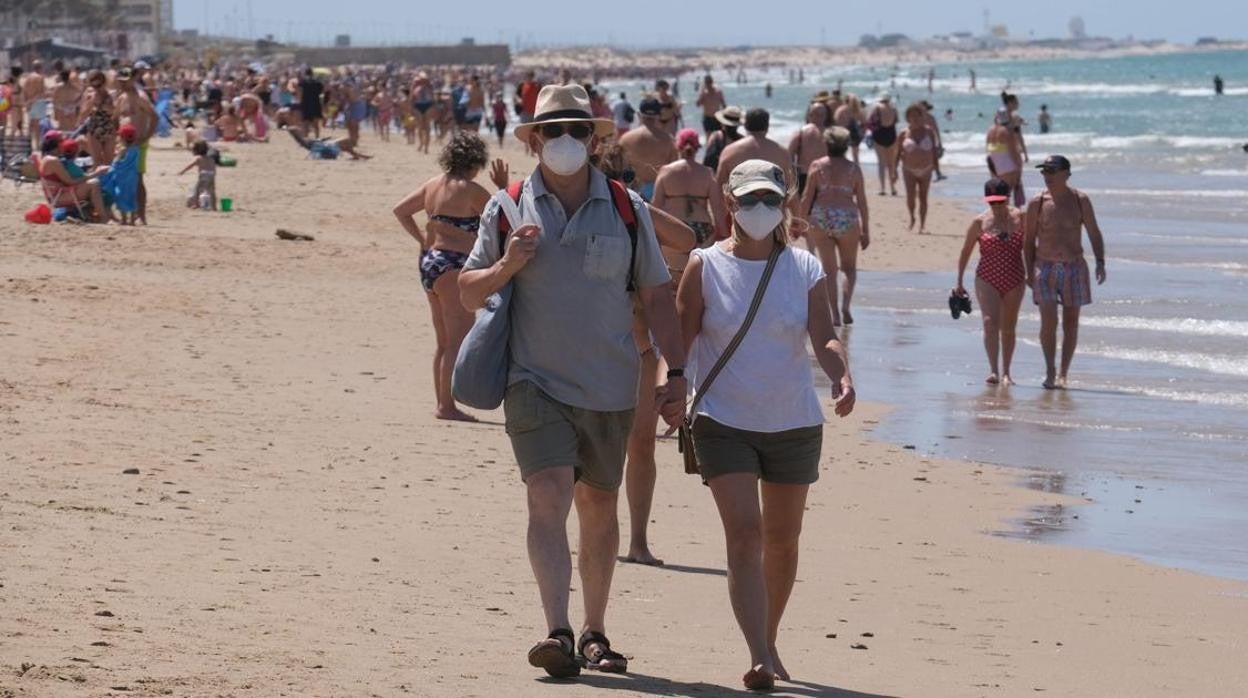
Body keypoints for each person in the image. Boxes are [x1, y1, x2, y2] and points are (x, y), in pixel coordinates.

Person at [458, 84, 687, 680]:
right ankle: (556, 629)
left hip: (612, 386)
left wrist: (677, 372)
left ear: (594, 139)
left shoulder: (625, 206)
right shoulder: (506, 206)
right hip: (533, 383)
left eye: (577, 131)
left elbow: (659, 295)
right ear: (533, 139)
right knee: (548, 495)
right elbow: (466, 288)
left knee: (598, 508)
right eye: (553, 130)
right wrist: (508, 264)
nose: (565, 141)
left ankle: (595, 630)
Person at [675, 158, 856, 691]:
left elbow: (824, 334)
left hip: (793, 420)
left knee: (783, 539)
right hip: (721, 419)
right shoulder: (704, 264)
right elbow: (681, 338)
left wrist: (841, 376)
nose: (759, 210)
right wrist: (669, 384)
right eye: (749, 200)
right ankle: (758, 654)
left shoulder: (803, 267)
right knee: (745, 534)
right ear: (729, 204)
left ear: (783, 207)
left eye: (769, 201)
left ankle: (769, 637)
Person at [393, 132, 492, 422]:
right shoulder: (472, 190)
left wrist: (423, 240)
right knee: (457, 339)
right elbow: (502, 219)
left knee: (443, 341)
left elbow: (401, 211)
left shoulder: (433, 185)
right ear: (475, 161)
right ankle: (446, 406)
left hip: (430, 262)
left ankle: (443, 402)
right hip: (453, 265)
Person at [1023, 155, 1107, 389]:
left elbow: (1093, 231)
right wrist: (1029, 271)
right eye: (1044, 172)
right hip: (1044, 266)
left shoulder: (1080, 200)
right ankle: (1049, 369)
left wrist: (1100, 260)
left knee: (1071, 323)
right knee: (1048, 321)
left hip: (1074, 267)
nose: (1047, 176)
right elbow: (1028, 241)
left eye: (1051, 171)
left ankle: (1063, 372)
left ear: (1066, 174)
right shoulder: (1036, 202)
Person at [955, 178, 1026, 385]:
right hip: (986, 277)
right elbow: (965, 251)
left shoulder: (1021, 218)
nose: (996, 206)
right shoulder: (979, 222)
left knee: (1009, 326)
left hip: (1015, 276)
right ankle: (994, 370)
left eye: (1000, 201)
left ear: (1008, 198)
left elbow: (1031, 246)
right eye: (992, 202)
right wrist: (959, 281)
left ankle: (1007, 372)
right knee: (989, 322)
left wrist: (1034, 273)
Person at [798, 127, 870, 326]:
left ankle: (835, 314)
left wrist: (799, 222)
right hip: (846, 217)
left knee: (829, 270)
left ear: (826, 144)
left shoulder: (817, 166)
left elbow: (806, 198)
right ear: (846, 145)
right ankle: (846, 306)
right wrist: (866, 230)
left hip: (821, 217)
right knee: (849, 268)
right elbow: (862, 201)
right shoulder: (854, 169)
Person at [715, 109, 794, 197]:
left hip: (739, 207)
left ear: (745, 125)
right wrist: (796, 210)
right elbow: (791, 191)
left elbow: (718, 190)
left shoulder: (729, 151)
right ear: (767, 126)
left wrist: (721, 211)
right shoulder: (782, 153)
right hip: (772, 207)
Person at [114, 67, 156, 225]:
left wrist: (146, 136)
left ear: (133, 79)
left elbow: (154, 117)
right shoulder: (121, 97)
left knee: (137, 179)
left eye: (125, 81)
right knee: (123, 178)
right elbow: (115, 117)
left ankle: (141, 215)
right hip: (122, 144)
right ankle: (127, 215)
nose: (122, 83)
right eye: (120, 81)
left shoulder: (141, 97)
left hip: (138, 143)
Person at [618, 98, 678, 202]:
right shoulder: (669, 140)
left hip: (633, 192)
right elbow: (673, 172)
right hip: (659, 192)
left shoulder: (625, 139)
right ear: (659, 115)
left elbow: (618, 168)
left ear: (639, 114)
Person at [899, 102, 938, 233]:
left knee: (923, 197)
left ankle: (922, 224)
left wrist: (937, 170)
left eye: (918, 116)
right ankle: (912, 218)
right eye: (912, 116)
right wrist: (893, 171)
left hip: (926, 169)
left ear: (923, 117)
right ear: (908, 118)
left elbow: (934, 152)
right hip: (908, 169)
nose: (915, 119)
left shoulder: (929, 132)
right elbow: (897, 153)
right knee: (910, 197)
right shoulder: (903, 133)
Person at [78, 70, 116, 169]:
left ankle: (106, 183)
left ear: (104, 83)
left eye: (98, 86)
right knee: (97, 162)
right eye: (93, 86)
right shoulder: (88, 94)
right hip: (94, 128)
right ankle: (98, 183)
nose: (96, 89)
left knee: (108, 163)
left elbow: (115, 113)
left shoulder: (111, 95)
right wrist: (91, 104)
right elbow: (82, 116)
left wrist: (103, 105)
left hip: (109, 128)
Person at [788, 104, 826, 197]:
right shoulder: (831, 134)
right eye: (818, 114)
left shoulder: (800, 133)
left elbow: (788, 158)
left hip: (804, 176)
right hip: (825, 177)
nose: (819, 117)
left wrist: (792, 180)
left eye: (821, 114)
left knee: (804, 209)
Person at [986, 107, 1022, 204]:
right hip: (1006, 165)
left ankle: (1000, 215)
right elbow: (1013, 152)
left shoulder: (990, 130)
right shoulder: (1007, 132)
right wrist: (1019, 167)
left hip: (993, 164)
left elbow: (988, 149)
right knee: (1007, 193)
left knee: (999, 193)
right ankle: (1007, 217)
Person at [867, 93, 899, 196]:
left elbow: (869, 120)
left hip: (880, 134)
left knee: (881, 162)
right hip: (891, 134)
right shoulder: (893, 108)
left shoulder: (876, 107)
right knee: (891, 163)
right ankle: (893, 188)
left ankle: (882, 188)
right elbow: (896, 120)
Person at [180, 139, 218, 212]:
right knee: (212, 191)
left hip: (203, 174)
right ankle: (214, 207)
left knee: (198, 190)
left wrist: (182, 171)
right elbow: (213, 167)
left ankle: (196, 204)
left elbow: (190, 166)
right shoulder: (211, 158)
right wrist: (213, 174)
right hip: (211, 175)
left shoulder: (198, 158)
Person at [702, 106, 743, 173]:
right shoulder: (743, 139)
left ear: (722, 122)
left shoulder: (717, 136)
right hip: (738, 176)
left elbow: (708, 160)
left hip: (721, 177)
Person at [20, 60, 48, 152]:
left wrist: (27, 102)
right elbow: (41, 93)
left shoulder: (28, 78)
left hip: (30, 104)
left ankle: (29, 146)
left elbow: (23, 91)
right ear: (40, 67)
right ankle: (38, 146)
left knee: (31, 125)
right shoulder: (40, 77)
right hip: (38, 103)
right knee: (39, 126)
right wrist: (32, 100)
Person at [833, 94, 865, 164]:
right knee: (856, 157)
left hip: (843, 133)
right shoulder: (856, 110)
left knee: (842, 155)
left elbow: (836, 122)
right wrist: (862, 133)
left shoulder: (841, 109)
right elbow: (864, 122)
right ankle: (856, 172)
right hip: (854, 133)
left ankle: (843, 171)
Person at [298, 69, 325, 139]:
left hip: (306, 103)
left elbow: (300, 93)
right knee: (316, 123)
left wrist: (300, 102)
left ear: (305, 74)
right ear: (312, 74)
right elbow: (321, 95)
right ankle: (317, 137)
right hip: (315, 103)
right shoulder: (318, 82)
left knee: (305, 122)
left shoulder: (303, 82)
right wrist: (322, 105)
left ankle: (305, 137)